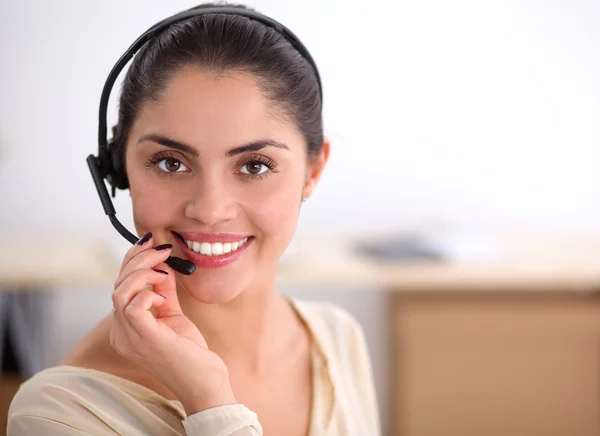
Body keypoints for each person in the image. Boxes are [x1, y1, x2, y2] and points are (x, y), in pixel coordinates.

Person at [7, 3, 380, 435]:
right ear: (119, 169)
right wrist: (209, 400)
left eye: (255, 165)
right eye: (170, 163)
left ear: (312, 171)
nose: (209, 208)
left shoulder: (336, 338)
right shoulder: (58, 414)